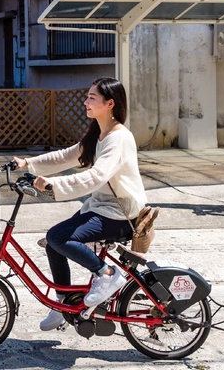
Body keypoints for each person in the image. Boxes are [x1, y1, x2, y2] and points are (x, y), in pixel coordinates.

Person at [11, 76, 147, 331]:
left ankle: (107, 275)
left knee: (59, 237)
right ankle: (63, 305)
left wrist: (54, 184)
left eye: (91, 98)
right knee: (54, 243)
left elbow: (97, 176)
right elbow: (68, 155)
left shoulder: (118, 138)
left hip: (120, 214)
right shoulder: (99, 133)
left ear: (110, 104)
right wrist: (27, 163)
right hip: (102, 207)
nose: (85, 102)